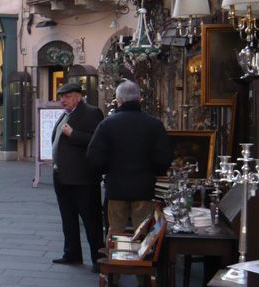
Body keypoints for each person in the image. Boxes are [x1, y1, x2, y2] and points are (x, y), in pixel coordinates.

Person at [87, 80, 173, 234]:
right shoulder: (154, 125)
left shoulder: (107, 124)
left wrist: (107, 170)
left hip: (116, 186)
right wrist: (153, 171)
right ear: (139, 99)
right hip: (144, 187)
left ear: (118, 100)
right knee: (142, 232)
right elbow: (164, 158)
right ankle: (140, 257)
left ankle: (116, 257)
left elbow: (94, 156)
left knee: (116, 231)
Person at [50, 82, 105, 272]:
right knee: (68, 218)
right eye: (61, 97)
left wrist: (73, 134)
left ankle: (99, 259)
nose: (62, 100)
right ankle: (72, 253)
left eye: (67, 96)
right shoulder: (67, 114)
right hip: (62, 176)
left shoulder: (92, 113)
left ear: (78, 96)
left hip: (83, 179)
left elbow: (97, 141)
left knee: (91, 220)